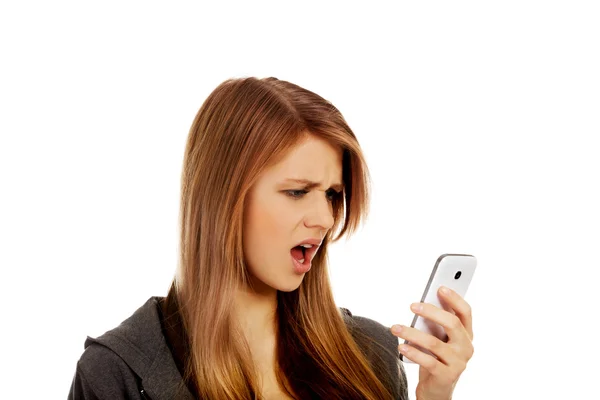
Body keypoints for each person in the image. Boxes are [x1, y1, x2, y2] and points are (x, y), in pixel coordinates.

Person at [68, 77, 474, 399]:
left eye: (332, 195)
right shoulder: (116, 373)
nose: (325, 219)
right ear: (223, 198)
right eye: (297, 191)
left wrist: (435, 397)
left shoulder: (371, 355)